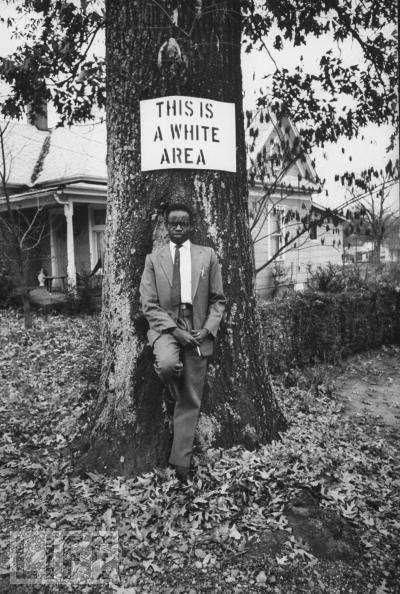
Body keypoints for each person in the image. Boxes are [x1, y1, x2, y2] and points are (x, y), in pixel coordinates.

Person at [139, 202, 226, 481]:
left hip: (197, 326)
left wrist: (207, 329)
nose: (178, 228)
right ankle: (172, 381)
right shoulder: (154, 259)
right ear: (165, 226)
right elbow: (148, 305)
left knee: (191, 396)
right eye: (173, 223)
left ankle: (181, 464)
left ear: (191, 226)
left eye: (183, 223)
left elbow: (218, 300)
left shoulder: (207, 256)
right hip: (166, 327)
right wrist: (176, 332)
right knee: (166, 366)